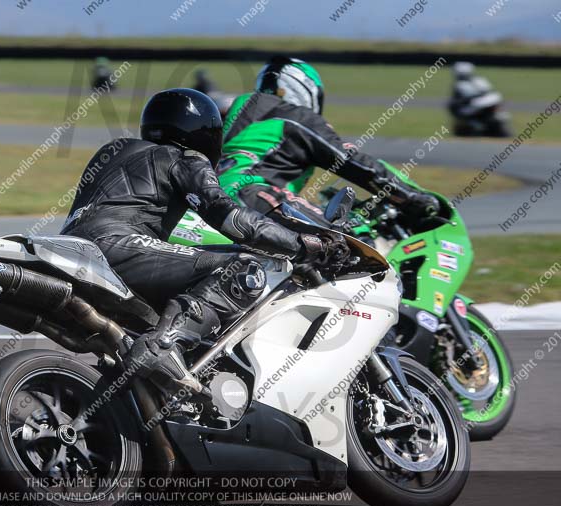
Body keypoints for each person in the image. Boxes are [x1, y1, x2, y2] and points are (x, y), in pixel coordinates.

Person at [61, 88, 349, 396]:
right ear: (205, 132)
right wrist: (303, 244)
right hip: (115, 247)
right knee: (244, 269)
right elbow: (231, 217)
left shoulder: (116, 150)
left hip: (72, 247)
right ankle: (163, 346)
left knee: (213, 263)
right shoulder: (184, 158)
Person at [217, 56, 438, 223]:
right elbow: (354, 163)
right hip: (254, 194)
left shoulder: (233, 114)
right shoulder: (297, 117)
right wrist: (413, 196)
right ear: (304, 88)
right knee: (343, 241)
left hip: (210, 194)